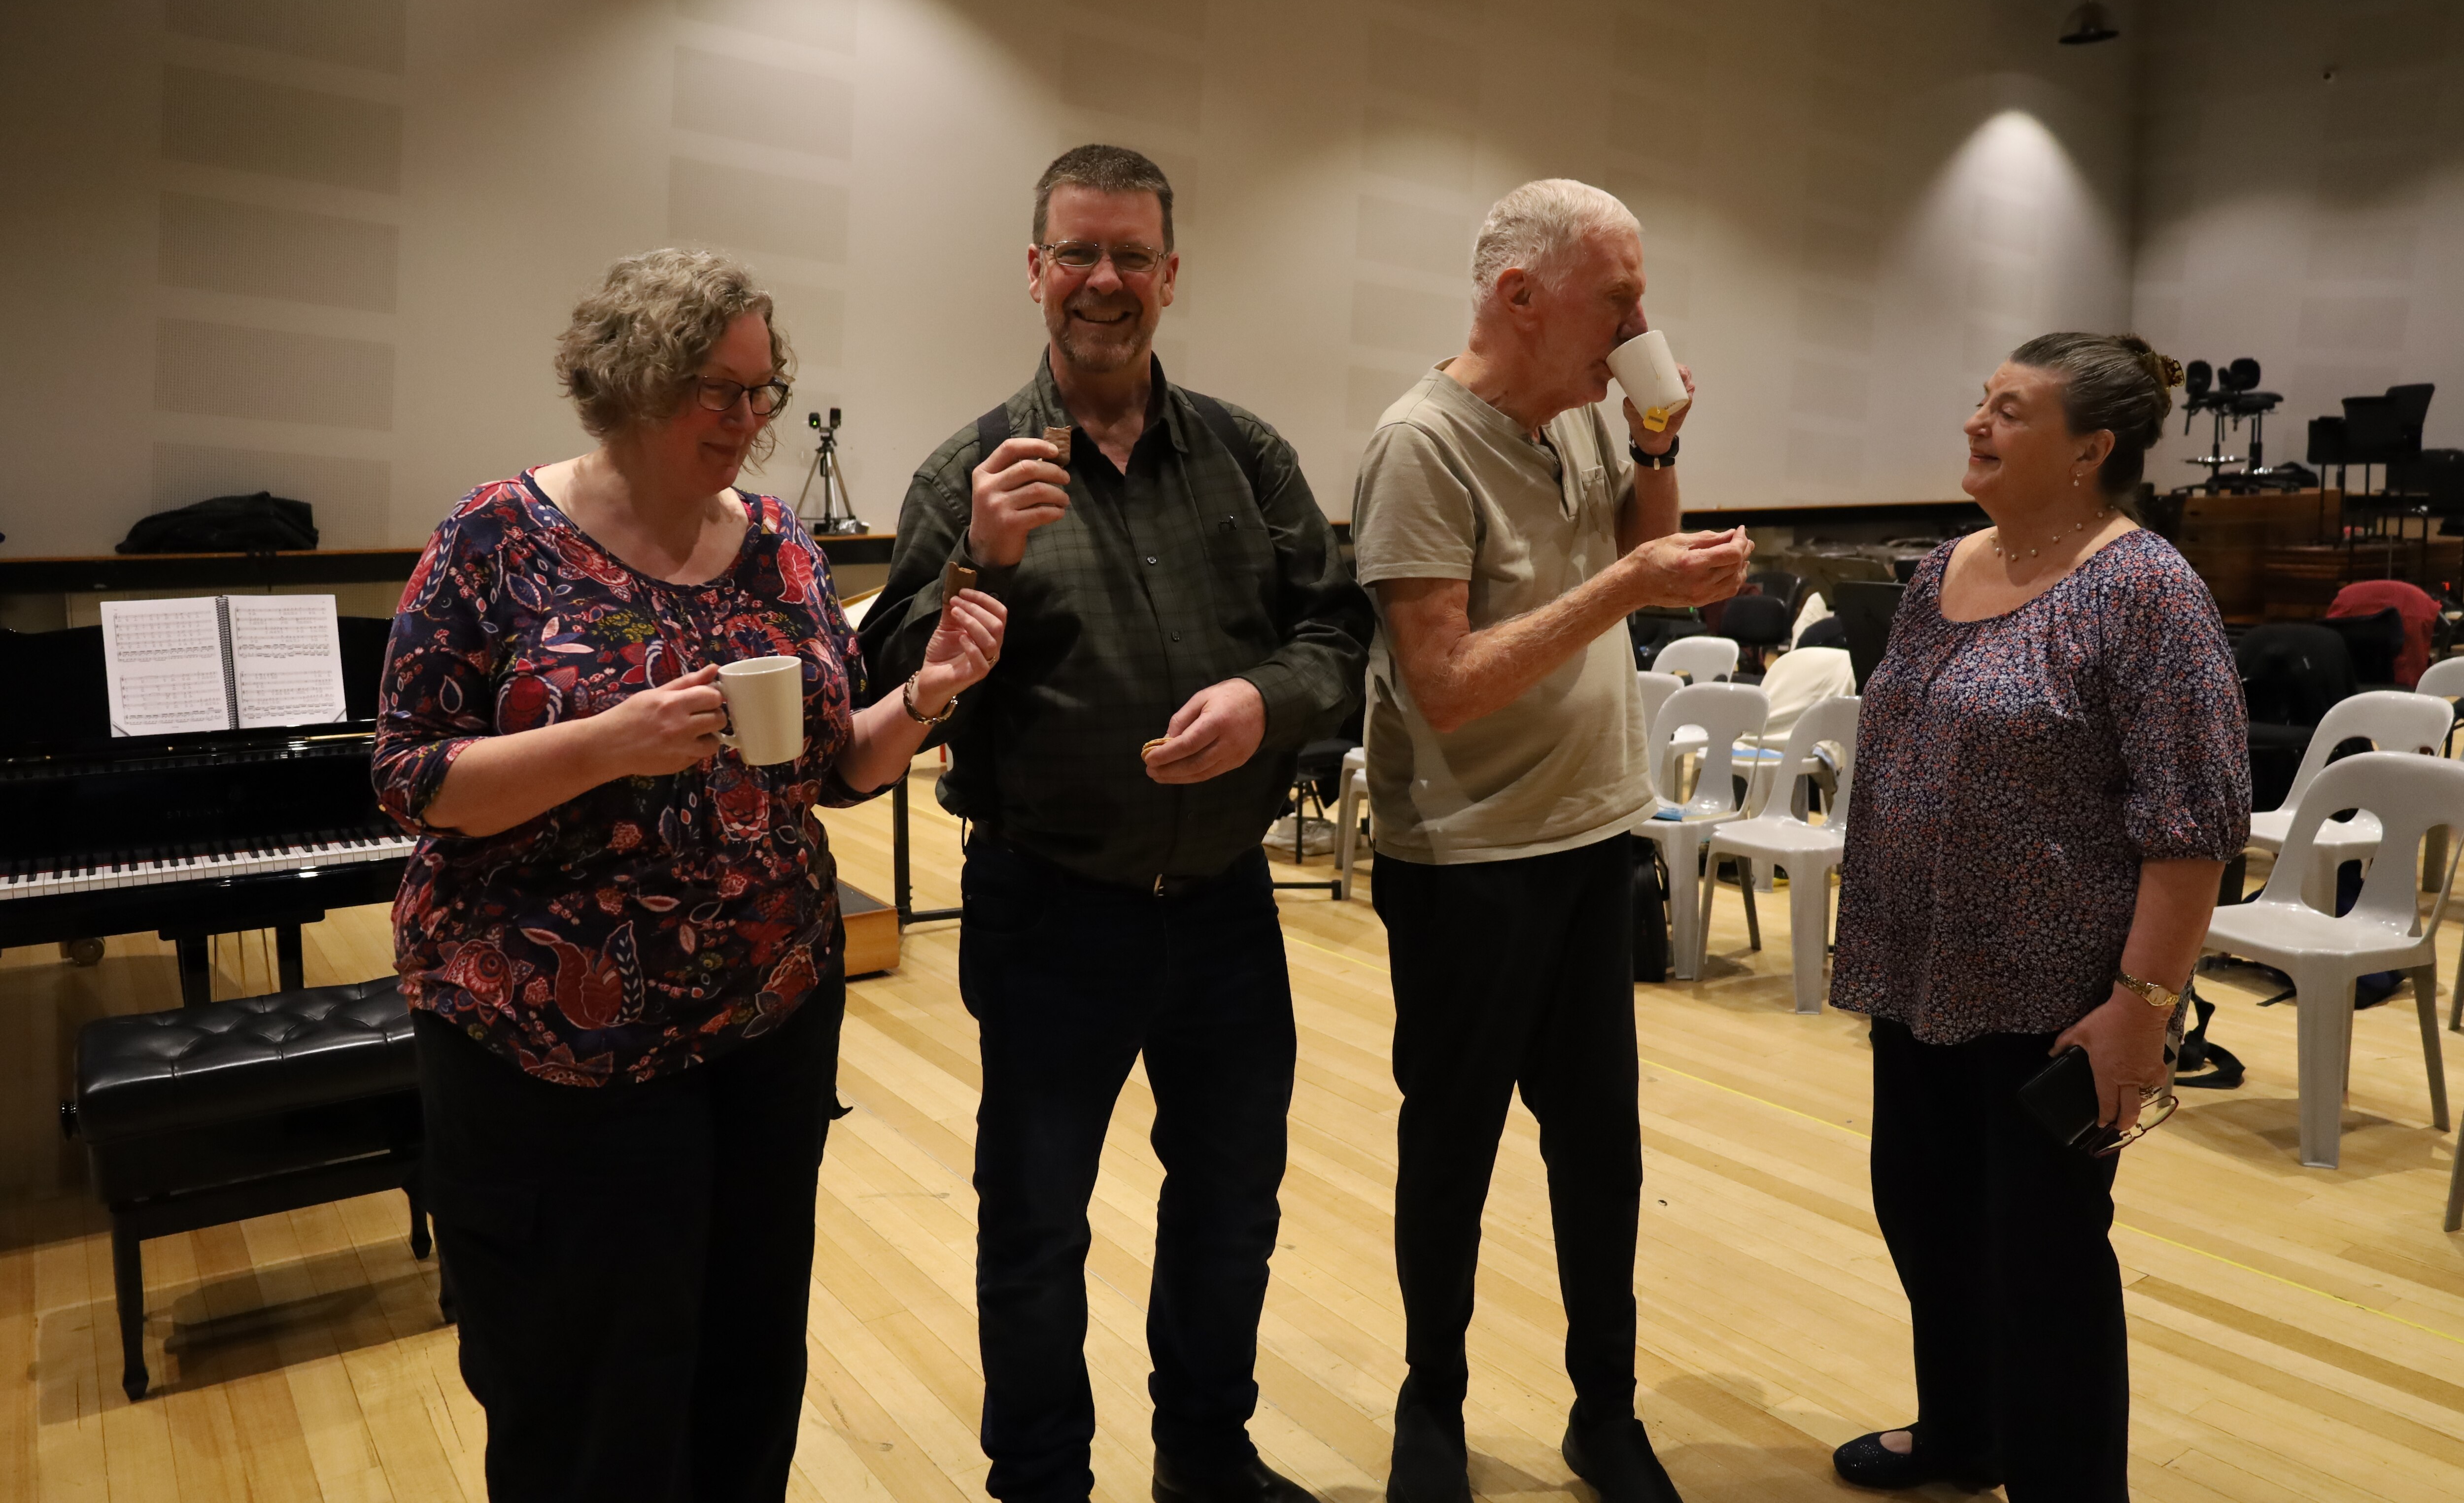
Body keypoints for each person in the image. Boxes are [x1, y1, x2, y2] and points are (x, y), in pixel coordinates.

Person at [374, 248, 1008, 1503]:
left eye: (764, 391)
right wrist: (611, 740)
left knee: (746, 1366)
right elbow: (411, 774)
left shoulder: (775, 544)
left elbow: (832, 767)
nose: (750, 420)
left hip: (766, 1018)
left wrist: (927, 695)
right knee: (589, 1390)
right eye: (720, 391)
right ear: (629, 381)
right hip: (558, 1047)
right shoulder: (496, 535)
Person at [859, 145, 1374, 1503]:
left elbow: (1336, 628)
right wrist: (983, 559)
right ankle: (1040, 1481)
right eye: (1078, 252)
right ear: (1034, 271)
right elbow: (894, 676)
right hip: (1049, 910)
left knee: (1230, 1209)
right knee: (1032, 1223)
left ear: (1170, 274)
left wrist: (1271, 702)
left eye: (1131, 256)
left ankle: (1206, 1457)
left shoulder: (1249, 454)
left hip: (1221, 908)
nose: (1105, 280)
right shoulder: (967, 469)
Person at [1349, 178, 1755, 1503]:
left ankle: (1607, 1409)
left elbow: (1646, 545)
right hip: (1466, 855)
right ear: (1519, 300)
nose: (1642, 317)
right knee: (1452, 1142)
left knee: (1602, 1147)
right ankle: (1433, 1403)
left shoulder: (1586, 420)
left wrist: (1652, 451)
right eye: (1619, 297)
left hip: (1591, 833)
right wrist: (1635, 585)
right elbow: (1449, 680)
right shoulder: (1421, 444)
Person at [1828, 333, 2249, 1500]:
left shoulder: (2147, 592)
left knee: (2045, 1265)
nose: (1977, 423)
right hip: (1918, 977)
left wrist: (2141, 1011)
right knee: (1926, 1219)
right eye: (1982, 402)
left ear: (2089, 450)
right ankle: (1966, 1434)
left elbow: (2191, 827)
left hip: (2055, 1004)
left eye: (2010, 412)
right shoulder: (1941, 571)